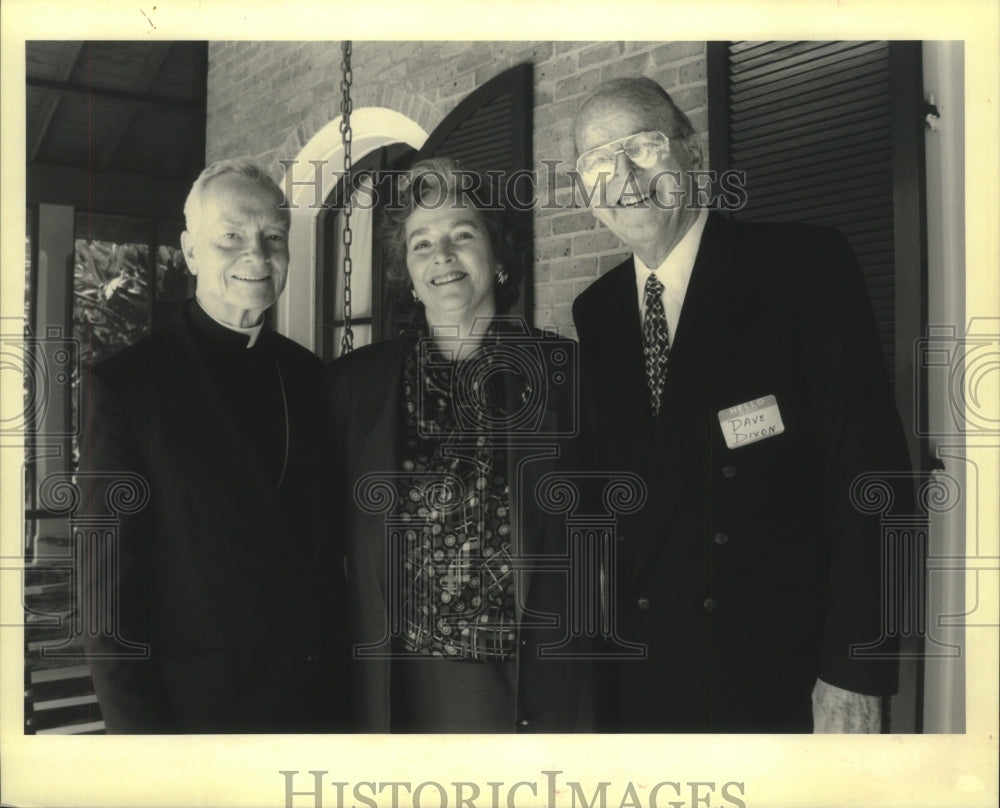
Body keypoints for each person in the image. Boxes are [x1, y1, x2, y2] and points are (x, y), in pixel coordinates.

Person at [570, 77, 912, 732]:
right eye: (597, 163)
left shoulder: (802, 265)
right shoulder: (598, 310)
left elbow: (870, 475)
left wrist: (855, 671)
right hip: (642, 675)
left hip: (778, 672)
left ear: (691, 154)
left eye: (642, 147)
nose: (624, 177)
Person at [80, 158, 347, 733]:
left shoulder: (308, 376)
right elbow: (107, 601)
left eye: (273, 236)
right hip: (202, 725)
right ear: (191, 251)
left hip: (317, 713)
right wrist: (150, 755)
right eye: (230, 236)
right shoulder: (128, 387)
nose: (256, 254)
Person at [327, 158, 582, 732]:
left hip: (533, 684)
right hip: (404, 688)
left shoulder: (565, 374)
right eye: (421, 244)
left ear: (497, 256)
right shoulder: (355, 387)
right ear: (408, 276)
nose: (442, 255)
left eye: (462, 235)